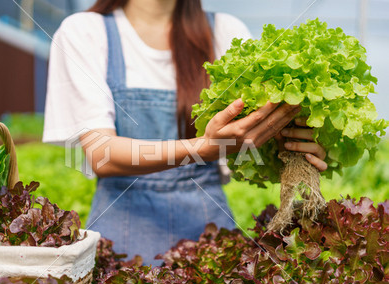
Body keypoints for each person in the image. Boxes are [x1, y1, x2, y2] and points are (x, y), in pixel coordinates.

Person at [43, 0, 327, 266]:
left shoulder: (226, 32)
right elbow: (102, 155)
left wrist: (293, 144)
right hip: (120, 240)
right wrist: (203, 148)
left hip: (209, 236)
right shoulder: (85, 32)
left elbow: (253, 146)